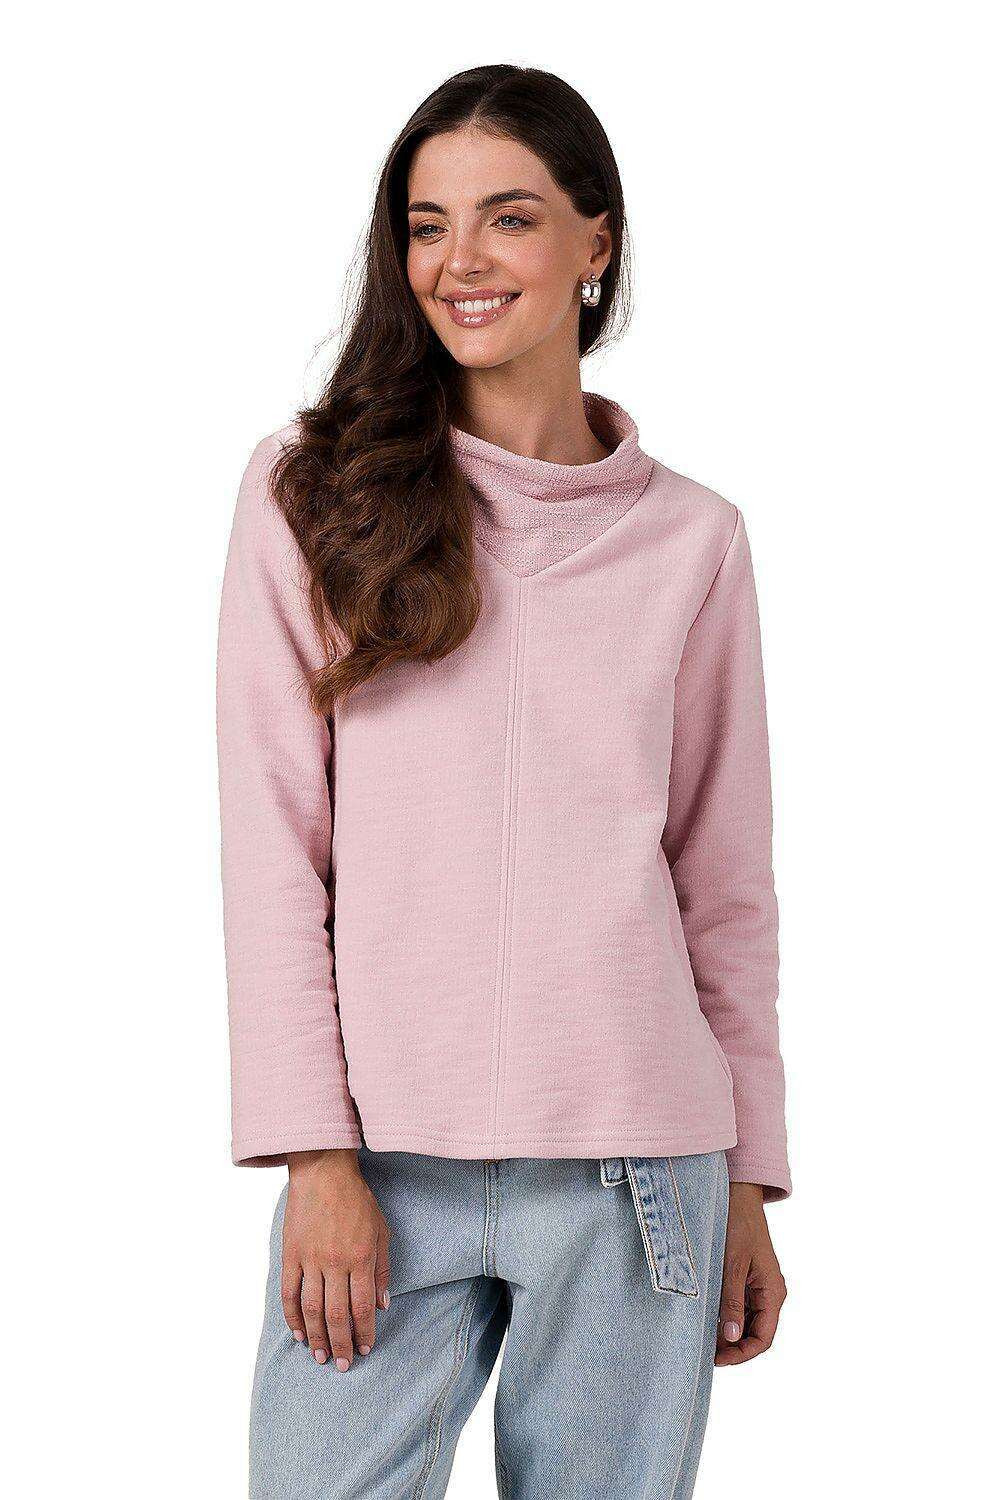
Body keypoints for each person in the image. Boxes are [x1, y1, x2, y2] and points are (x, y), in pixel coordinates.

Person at [216, 62, 790, 1500]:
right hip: (384, 1166)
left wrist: (748, 1178)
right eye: (428, 225)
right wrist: (314, 1156)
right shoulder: (312, 494)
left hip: (641, 1173)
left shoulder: (695, 541)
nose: (459, 261)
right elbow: (274, 848)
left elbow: (722, 883)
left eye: (508, 218)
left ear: (597, 241)